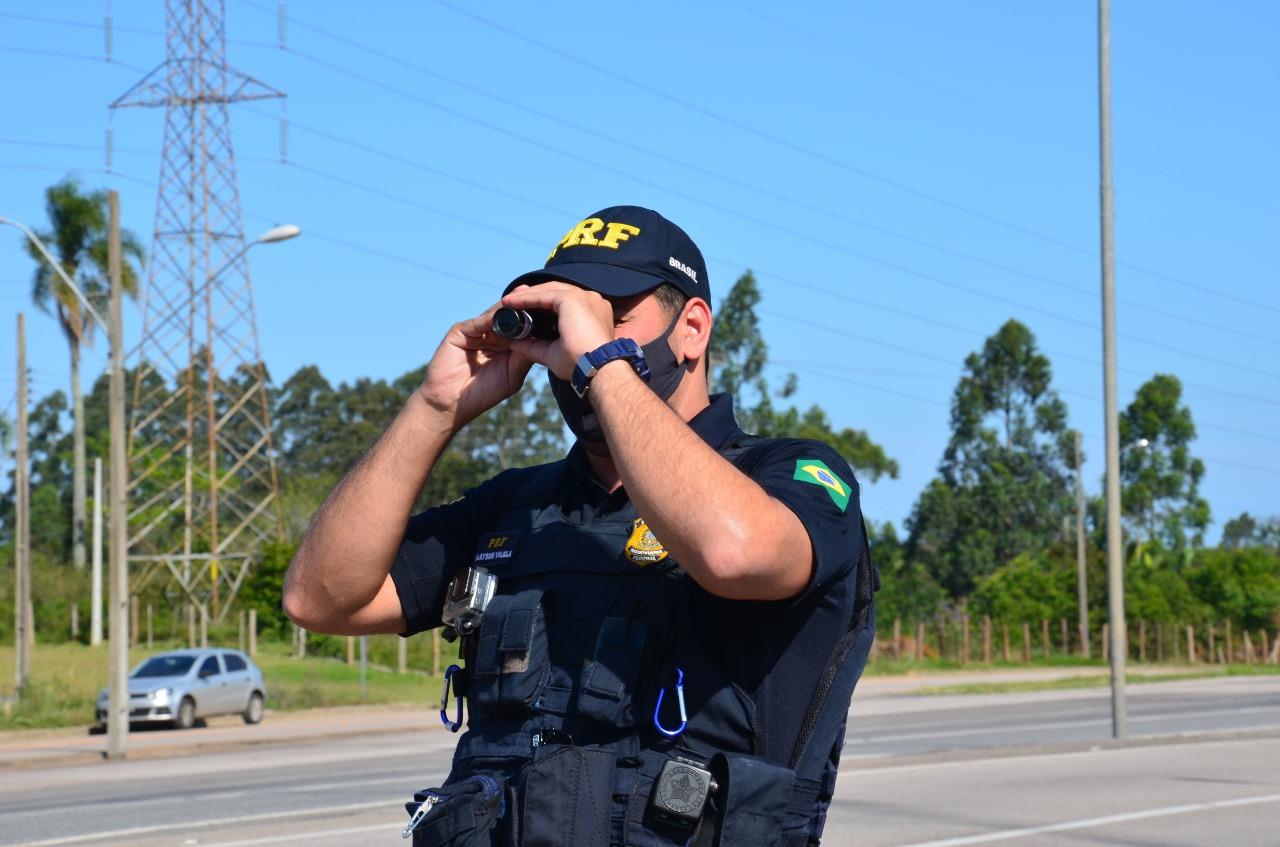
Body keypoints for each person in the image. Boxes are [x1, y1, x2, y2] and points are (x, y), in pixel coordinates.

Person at [282, 205, 878, 846]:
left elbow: (736, 553)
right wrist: (435, 407)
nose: (573, 340)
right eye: (562, 318)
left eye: (610, 311)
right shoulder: (519, 506)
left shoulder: (791, 475)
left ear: (692, 330)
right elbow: (320, 598)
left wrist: (602, 362)